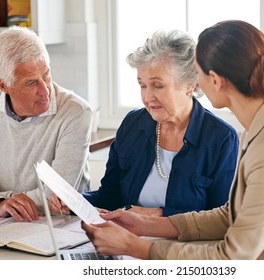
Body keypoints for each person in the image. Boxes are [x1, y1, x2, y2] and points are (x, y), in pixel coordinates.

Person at [81, 20, 264, 259]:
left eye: (197, 72)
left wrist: (139, 248)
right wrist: (147, 225)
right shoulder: (262, 127)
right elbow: (230, 216)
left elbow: (233, 257)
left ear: (215, 80)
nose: (196, 81)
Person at [51, 30, 239, 217]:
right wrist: (75, 200)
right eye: (142, 85)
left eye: (158, 85)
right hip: (126, 241)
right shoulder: (133, 125)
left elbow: (220, 219)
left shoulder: (221, 139)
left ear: (190, 84)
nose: (148, 97)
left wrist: (157, 216)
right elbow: (109, 197)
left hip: (183, 246)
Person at [0, 26, 93, 222]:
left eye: (46, 75)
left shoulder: (76, 113)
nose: (45, 90)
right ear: (3, 85)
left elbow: (55, 195)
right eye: (31, 83)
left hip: (57, 226)